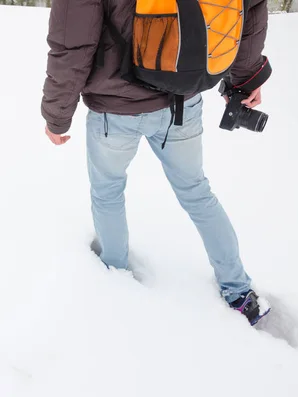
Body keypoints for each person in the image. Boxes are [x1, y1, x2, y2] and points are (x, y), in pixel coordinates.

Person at [40, 0, 272, 325]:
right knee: (197, 192)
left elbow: (72, 46)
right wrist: (245, 79)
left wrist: (56, 116)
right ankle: (239, 292)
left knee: (107, 192)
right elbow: (249, 7)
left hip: (114, 108)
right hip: (182, 101)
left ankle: (115, 278)